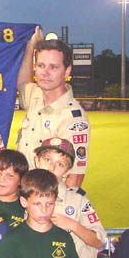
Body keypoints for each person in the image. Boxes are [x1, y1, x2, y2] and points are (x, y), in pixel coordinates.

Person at [34, 137, 106, 258]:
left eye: (60, 164)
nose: (51, 167)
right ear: (36, 161)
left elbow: (99, 240)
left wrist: (73, 225)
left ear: (67, 172)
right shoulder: (27, 198)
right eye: (47, 159)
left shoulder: (78, 200)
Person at [16, 26, 90, 188]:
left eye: (54, 67)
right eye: (41, 66)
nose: (45, 72)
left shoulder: (73, 118)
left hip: (45, 204)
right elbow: (22, 82)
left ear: (66, 71)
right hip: (24, 196)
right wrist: (31, 47)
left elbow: (74, 178)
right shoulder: (35, 95)